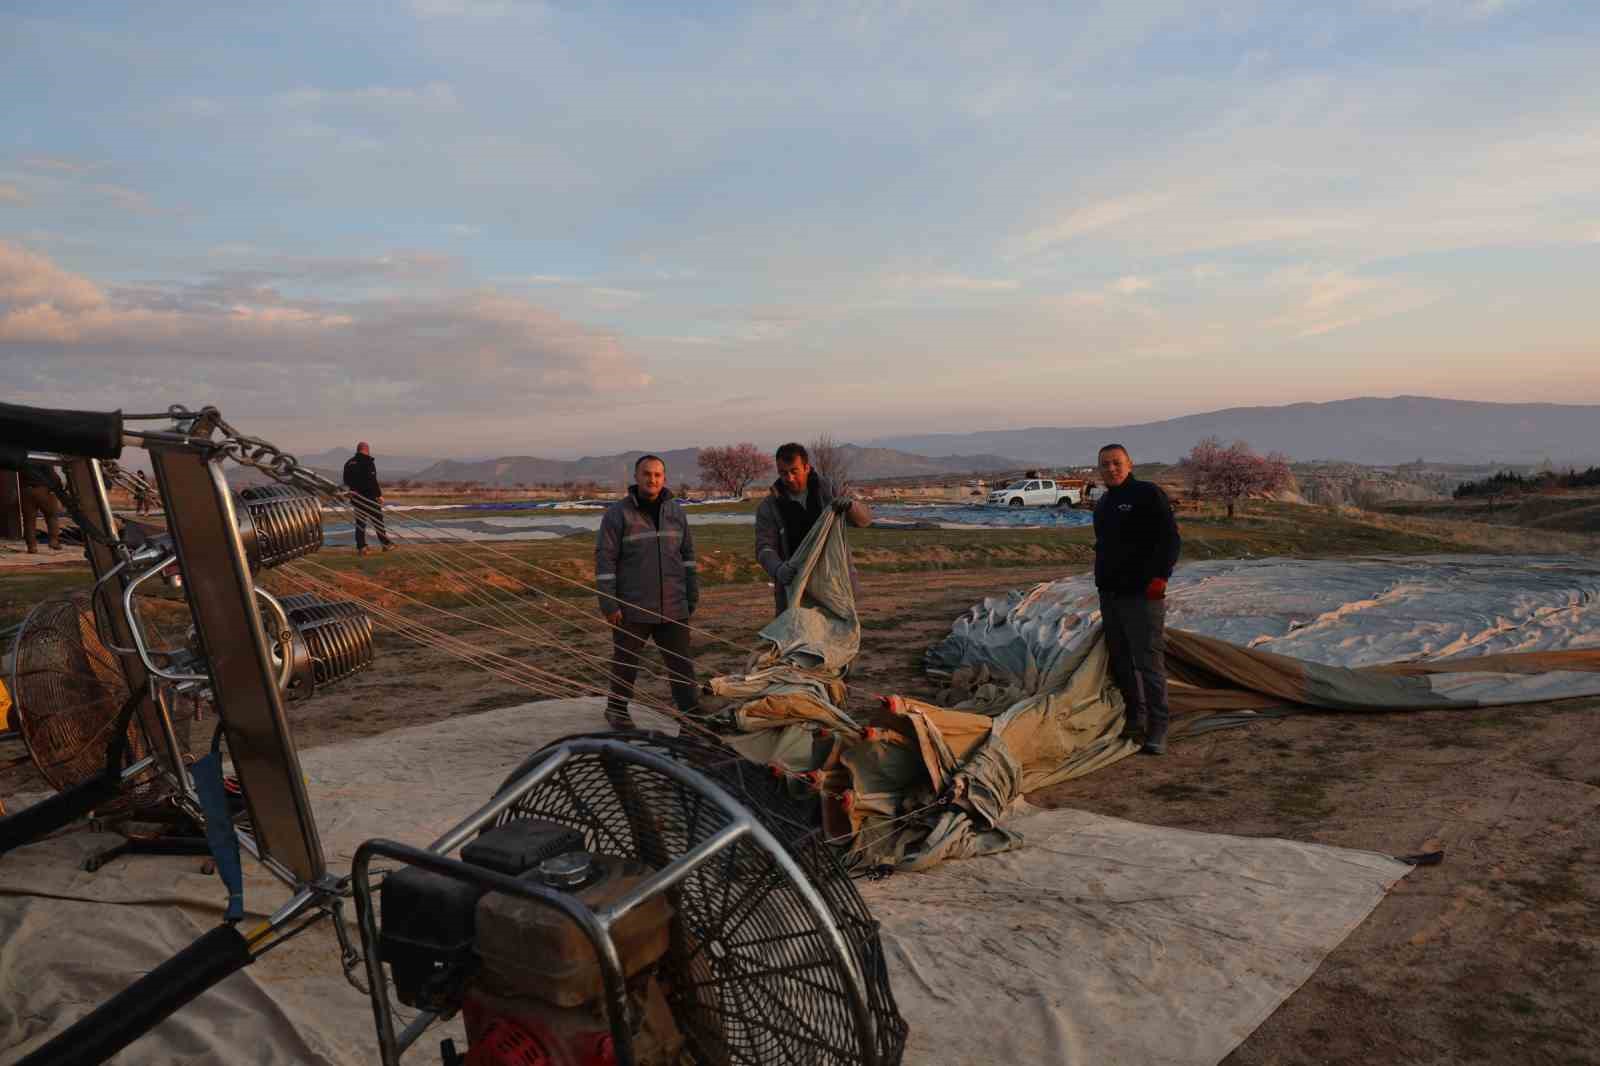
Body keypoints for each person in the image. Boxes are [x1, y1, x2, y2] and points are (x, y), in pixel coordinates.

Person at [595, 454, 702, 729]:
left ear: (664, 478)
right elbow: (605, 560)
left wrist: (691, 593)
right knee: (625, 661)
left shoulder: (676, 513)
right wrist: (608, 602)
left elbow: (687, 555)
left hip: (673, 605)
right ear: (636, 477)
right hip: (633, 607)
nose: (652, 479)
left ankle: (692, 718)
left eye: (657, 474)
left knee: (682, 666)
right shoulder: (617, 515)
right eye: (646, 474)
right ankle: (616, 710)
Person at [1092, 443, 1181, 755]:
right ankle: (1135, 719)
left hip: (1142, 595)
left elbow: (1169, 539)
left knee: (1148, 661)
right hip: (1111, 595)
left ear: (1129, 464)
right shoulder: (1103, 504)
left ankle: (1159, 726)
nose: (1111, 469)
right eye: (1105, 464)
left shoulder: (1147, 494)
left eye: (1117, 463)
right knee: (1121, 661)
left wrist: (1160, 578)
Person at [754, 442, 872, 615]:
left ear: (807, 467)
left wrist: (851, 507)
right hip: (795, 586)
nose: (789, 478)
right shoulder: (770, 506)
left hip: (835, 583)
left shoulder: (831, 491)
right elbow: (764, 548)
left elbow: (865, 520)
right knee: (797, 636)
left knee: (835, 636)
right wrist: (778, 569)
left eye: (794, 471)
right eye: (783, 473)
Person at [342, 442, 393, 556]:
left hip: (356, 497)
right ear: (366, 449)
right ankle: (386, 544)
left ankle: (362, 548)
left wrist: (351, 490)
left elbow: (346, 480)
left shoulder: (349, 463)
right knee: (378, 521)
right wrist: (378, 495)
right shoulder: (368, 461)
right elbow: (372, 480)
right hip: (369, 497)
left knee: (360, 523)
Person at [18, 462, 62, 553]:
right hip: (43, 490)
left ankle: (32, 547)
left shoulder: (22, 458)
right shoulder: (42, 458)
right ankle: (54, 541)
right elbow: (53, 476)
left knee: (29, 520)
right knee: (51, 516)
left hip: (27, 491)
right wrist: (58, 487)